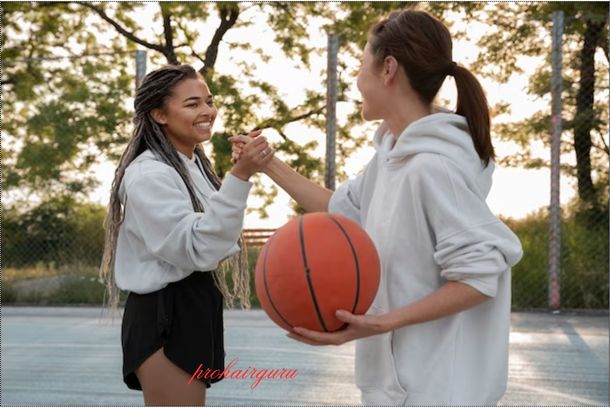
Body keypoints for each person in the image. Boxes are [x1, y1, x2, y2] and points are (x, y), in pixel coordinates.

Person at [229, 9, 523, 406]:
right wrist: (268, 163)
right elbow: (341, 208)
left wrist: (380, 322)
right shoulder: (391, 157)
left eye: (359, 65)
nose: (356, 80)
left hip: (438, 391)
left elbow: (479, 277)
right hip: (397, 387)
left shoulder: (432, 168)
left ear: (388, 69)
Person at [99, 64, 274, 406]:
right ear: (159, 114)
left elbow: (218, 235)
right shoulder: (148, 174)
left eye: (209, 101)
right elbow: (199, 248)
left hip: (195, 304)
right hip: (165, 312)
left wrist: (236, 176)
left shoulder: (193, 166)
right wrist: (240, 176)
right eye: (192, 104)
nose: (208, 111)